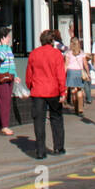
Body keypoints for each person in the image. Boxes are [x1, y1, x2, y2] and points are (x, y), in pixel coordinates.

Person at [26, 30, 65, 159]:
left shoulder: (34, 53)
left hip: (38, 91)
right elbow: (60, 75)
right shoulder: (56, 54)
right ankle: (58, 147)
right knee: (56, 119)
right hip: (53, 90)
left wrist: (30, 86)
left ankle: (40, 151)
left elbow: (29, 75)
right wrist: (62, 91)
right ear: (52, 41)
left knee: (39, 121)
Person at [0, 27, 17, 136]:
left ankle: (5, 124)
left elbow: (12, 62)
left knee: (7, 101)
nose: (9, 39)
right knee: (4, 102)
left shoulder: (9, 48)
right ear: (2, 38)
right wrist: (4, 46)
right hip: (2, 77)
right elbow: (1, 58)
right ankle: (4, 126)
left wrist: (15, 75)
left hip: (9, 77)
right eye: (7, 37)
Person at [65, 37, 90, 116]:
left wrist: (63, 73)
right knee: (79, 90)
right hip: (79, 72)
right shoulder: (81, 53)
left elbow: (66, 64)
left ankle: (75, 107)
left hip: (71, 72)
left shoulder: (68, 53)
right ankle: (80, 109)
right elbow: (85, 64)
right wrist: (88, 73)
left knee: (73, 91)